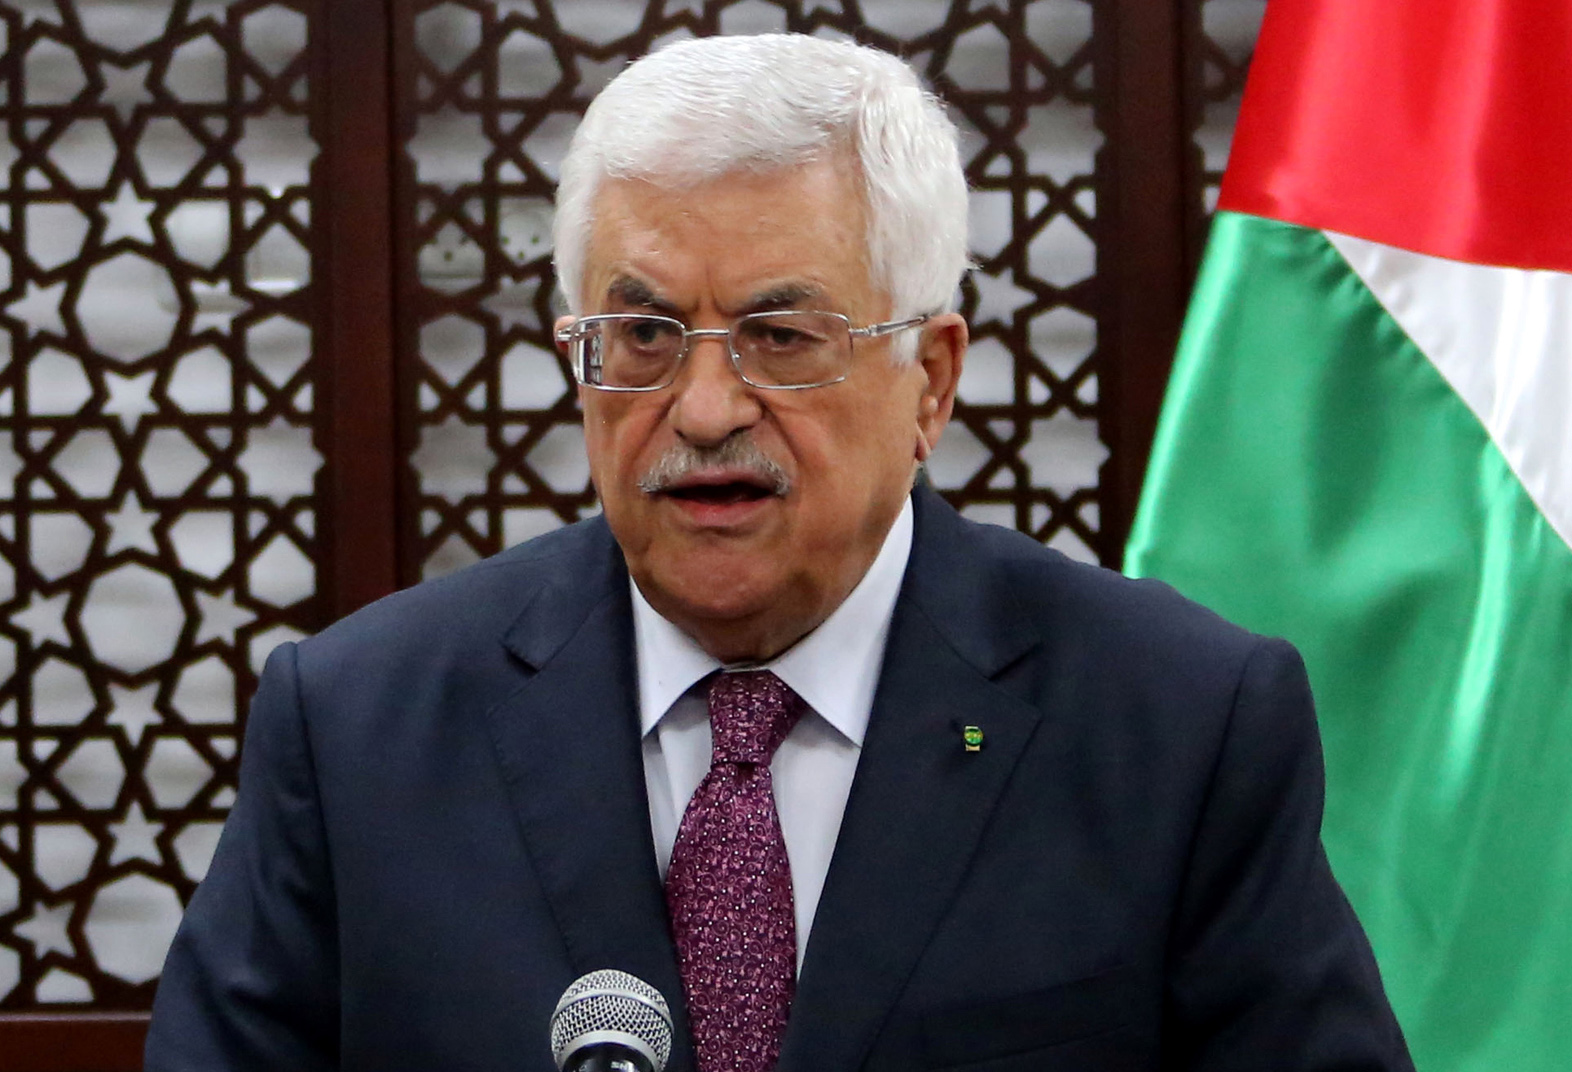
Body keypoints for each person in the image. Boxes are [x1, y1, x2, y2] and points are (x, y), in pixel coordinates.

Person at [145, 33, 1413, 1072]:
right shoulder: (357, 729)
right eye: (644, 336)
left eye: (782, 337)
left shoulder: (1174, 727)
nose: (704, 411)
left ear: (931, 381)